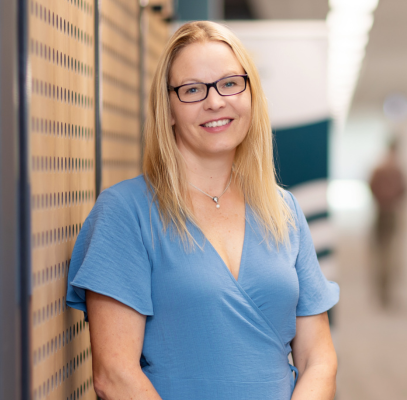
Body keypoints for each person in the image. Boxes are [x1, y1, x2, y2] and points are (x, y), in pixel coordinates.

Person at [66, 21, 339, 400]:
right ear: (169, 110)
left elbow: (318, 359)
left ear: (250, 94)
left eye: (229, 83)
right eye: (193, 89)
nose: (215, 101)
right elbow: (114, 375)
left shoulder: (284, 211)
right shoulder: (126, 212)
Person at [369, 139, 405, 307]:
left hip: (382, 211)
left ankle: (383, 291)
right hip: (387, 212)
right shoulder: (394, 170)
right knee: (386, 254)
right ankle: (384, 291)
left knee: (384, 253)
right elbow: (401, 191)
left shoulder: (381, 168)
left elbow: (371, 186)